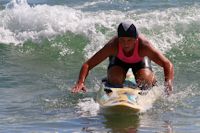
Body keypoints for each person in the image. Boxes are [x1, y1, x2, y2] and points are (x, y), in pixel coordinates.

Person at [71, 22, 174, 95]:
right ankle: (110, 78)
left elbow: (167, 64)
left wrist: (168, 82)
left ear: (136, 39)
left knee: (145, 83)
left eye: (129, 40)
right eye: (122, 40)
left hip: (140, 62)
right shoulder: (113, 45)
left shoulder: (144, 46)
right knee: (115, 79)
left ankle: (151, 79)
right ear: (118, 39)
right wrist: (80, 82)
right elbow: (87, 64)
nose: (125, 44)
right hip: (119, 62)